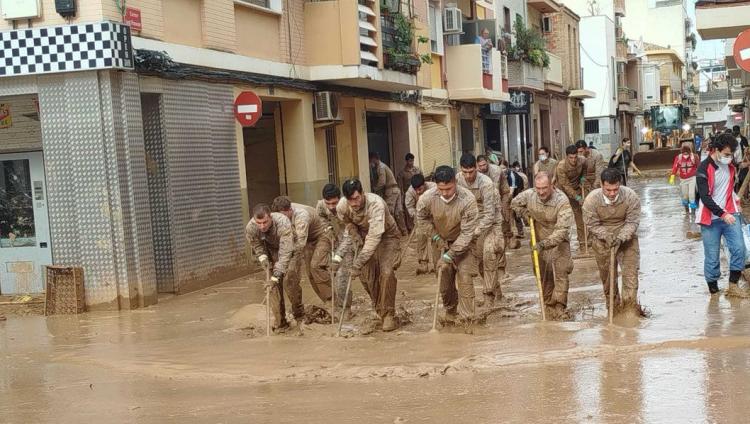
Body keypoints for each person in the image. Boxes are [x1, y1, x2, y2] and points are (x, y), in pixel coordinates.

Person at [416, 166, 479, 327]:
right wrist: (436, 237)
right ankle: (451, 312)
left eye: (449, 188)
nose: (445, 193)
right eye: (441, 189)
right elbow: (421, 220)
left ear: (455, 183)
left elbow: (467, 234)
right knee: (444, 282)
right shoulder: (426, 198)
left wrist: (449, 255)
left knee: (465, 277)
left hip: (464, 243)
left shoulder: (468, 199)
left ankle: (468, 319)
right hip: (440, 241)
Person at [335, 178, 402, 331]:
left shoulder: (376, 204)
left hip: (387, 236)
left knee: (386, 272)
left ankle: (388, 314)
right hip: (364, 236)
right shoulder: (342, 206)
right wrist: (353, 231)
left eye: (357, 198)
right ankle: (379, 308)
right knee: (367, 276)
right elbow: (345, 222)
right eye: (350, 200)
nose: (354, 203)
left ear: (363, 194)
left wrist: (357, 264)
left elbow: (374, 239)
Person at [511, 172, 574, 319]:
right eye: (538, 188)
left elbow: (561, 231)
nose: (541, 192)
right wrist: (526, 214)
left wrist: (544, 244)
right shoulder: (529, 195)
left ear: (552, 185)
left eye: (545, 188)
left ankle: (559, 306)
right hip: (538, 233)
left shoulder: (562, 201)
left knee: (561, 270)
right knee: (543, 272)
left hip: (558, 238)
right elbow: (514, 203)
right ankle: (547, 304)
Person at [582, 168, 642, 314]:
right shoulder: (591, 200)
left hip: (626, 239)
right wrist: (607, 237)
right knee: (608, 277)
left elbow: (633, 222)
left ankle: (629, 310)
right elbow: (592, 224)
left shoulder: (630, 196)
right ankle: (613, 308)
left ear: (620, 185)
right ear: (602, 185)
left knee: (630, 275)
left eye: (615, 189)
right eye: (608, 190)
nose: (612, 193)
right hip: (602, 240)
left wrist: (622, 237)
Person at [695, 133, 748, 297]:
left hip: (731, 215)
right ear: (715, 150)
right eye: (726, 154)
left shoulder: (730, 166)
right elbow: (705, 197)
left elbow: (729, 188)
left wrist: (734, 203)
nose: (729, 157)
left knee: (739, 249)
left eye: (731, 154)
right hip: (710, 220)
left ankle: (733, 286)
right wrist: (723, 214)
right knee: (712, 258)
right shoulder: (703, 169)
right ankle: (714, 293)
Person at [457, 153, 506, 307]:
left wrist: (476, 231)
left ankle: (489, 295)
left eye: (471, 171)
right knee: (479, 262)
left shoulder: (486, 183)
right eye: (465, 172)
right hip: (472, 220)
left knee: (489, 253)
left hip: (491, 221)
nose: (468, 175)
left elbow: (490, 214)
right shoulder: (457, 180)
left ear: (476, 169)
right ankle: (495, 287)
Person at [245, 204, 299, 333]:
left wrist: (276, 275)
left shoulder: (282, 222)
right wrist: (263, 258)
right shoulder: (251, 227)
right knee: (272, 286)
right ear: (254, 219)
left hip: (290, 249)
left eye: (265, 222)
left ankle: (299, 312)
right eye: (259, 223)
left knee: (288, 280)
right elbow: (256, 245)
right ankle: (281, 322)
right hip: (270, 250)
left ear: (270, 217)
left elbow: (285, 254)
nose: (262, 226)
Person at [271, 196, 333, 304]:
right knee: (309, 274)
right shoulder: (277, 216)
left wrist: (285, 260)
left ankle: (334, 301)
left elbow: (300, 244)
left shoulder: (301, 215)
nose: (281, 219)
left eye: (283, 215)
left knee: (316, 267)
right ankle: (324, 302)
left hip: (321, 235)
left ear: (289, 210)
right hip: (306, 241)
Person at [316, 184, 355, 314]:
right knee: (340, 276)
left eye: (334, 203)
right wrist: (328, 229)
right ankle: (345, 309)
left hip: (354, 238)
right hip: (339, 238)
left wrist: (337, 257)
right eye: (328, 203)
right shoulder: (321, 205)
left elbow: (350, 235)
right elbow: (321, 216)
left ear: (340, 198)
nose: (332, 207)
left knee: (357, 274)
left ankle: (378, 308)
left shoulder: (348, 207)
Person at [477, 155, 519, 249]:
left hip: (502, 193)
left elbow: (494, 190)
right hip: (485, 195)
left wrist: (497, 207)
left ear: (487, 162)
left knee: (504, 215)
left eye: (484, 165)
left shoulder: (495, 170)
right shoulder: (476, 172)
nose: (482, 167)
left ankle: (509, 237)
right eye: (480, 166)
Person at [556, 145, 590, 253]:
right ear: (567, 157)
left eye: (575, 157)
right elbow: (565, 185)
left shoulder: (583, 160)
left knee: (580, 217)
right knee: (563, 218)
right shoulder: (561, 167)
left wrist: (583, 179)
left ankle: (584, 243)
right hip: (563, 192)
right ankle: (561, 246)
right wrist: (577, 197)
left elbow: (585, 170)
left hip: (577, 188)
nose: (574, 160)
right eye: (571, 158)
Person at [405, 173, 437, 274]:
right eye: (416, 190)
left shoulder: (434, 188)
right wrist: (416, 215)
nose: (418, 191)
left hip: (434, 216)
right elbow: (409, 206)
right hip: (420, 217)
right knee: (420, 237)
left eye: (420, 188)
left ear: (424, 184)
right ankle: (423, 264)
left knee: (436, 238)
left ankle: (437, 264)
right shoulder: (410, 192)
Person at [369, 152, 408, 235]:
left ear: (374, 159)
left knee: (389, 213)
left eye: (370, 160)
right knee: (399, 212)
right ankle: (404, 231)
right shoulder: (383, 166)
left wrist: (375, 188)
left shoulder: (380, 167)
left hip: (390, 191)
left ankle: (394, 232)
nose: (370, 163)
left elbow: (382, 182)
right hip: (396, 190)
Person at [669, 145, 700, 213]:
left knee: (691, 194)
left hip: (692, 178)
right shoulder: (679, 157)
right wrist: (672, 176)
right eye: (684, 153)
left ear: (689, 152)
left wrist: (701, 176)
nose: (685, 155)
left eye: (687, 153)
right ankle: (686, 209)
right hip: (683, 179)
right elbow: (675, 167)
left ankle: (693, 211)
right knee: (685, 195)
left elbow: (699, 166)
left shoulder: (694, 157)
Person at [397, 153, 422, 231]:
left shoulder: (418, 170)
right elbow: (400, 186)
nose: (411, 162)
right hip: (408, 194)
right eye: (410, 161)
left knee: (419, 208)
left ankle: (420, 225)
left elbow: (422, 180)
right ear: (406, 161)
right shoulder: (402, 173)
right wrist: (402, 197)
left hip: (418, 193)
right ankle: (411, 228)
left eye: (412, 161)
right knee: (409, 212)